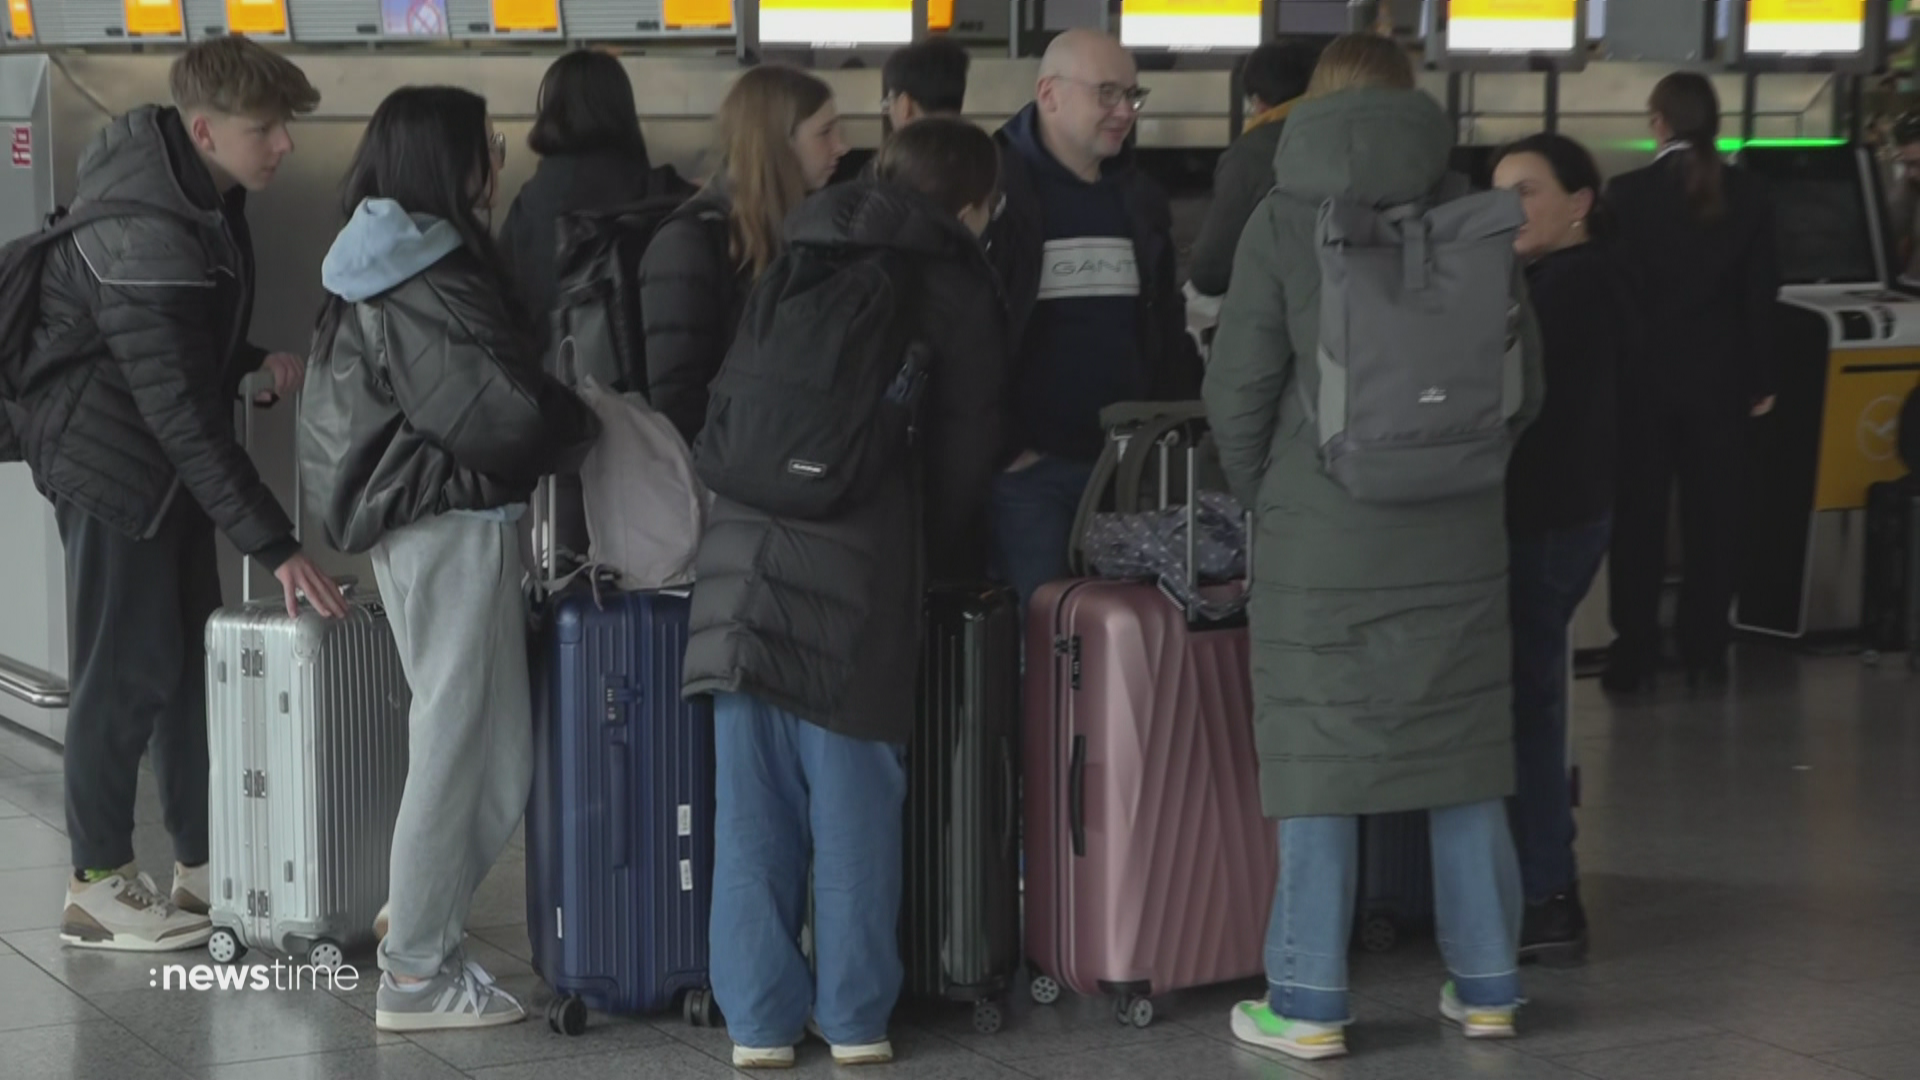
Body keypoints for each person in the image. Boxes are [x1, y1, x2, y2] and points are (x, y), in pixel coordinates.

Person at [1203, 34, 1542, 1061]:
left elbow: (1241, 388)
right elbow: (1524, 390)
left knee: (1322, 759)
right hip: (1457, 528)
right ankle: (1488, 986)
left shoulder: (1282, 215)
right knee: (1465, 752)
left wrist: (1281, 495)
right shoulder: (1473, 211)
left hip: (1323, 532)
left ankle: (1307, 1001)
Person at [682, 117, 1008, 1069]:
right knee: (856, 804)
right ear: (972, 206)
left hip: (738, 566)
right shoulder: (948, 279)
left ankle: (758, 1025)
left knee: (753, 813)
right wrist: (931, 552)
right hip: (856, 571)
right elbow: (965, 448)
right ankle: (857, 1019)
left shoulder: (797, 254)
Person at [15, 36, 346, 953]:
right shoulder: (149, 223)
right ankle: (96, 885)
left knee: (189, 668)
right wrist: (275, 544)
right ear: (204, 128)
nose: (282, 144)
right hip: (112, 465)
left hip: (157, 457)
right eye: (263, 128)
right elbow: (174, 408)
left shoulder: (198, 187)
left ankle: (204, 871)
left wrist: (244, 365)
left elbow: (166, 345)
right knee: (122, 671)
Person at [299, 85, 598, 1031]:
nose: (498, 159)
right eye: (489, 144)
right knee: (456, 744)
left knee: (498, 754)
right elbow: (497, 413)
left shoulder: (390, 257)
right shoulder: (424, 270)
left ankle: (416, 911)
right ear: (450, 159)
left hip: (435, 523)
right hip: (448, 524)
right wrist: (584, 422)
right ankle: (416, 974)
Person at [985, 28, 1201, 610]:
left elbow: (1164, 322)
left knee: (1116, 654)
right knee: (1042, 648)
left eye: (1133, 94)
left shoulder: (1138, 197)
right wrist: (1006, 447)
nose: (1125, 111)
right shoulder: (997, 193)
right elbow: (968, 334)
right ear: (1049, 94)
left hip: (1126, 470)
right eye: (1107, 93)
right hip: (1031, 476)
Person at [1491, 133, 1632, 965]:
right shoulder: (1564, 277)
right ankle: (1539, 881)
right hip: (1566, 515)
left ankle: (1546, 892)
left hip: (1546, 522)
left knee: (1527, 708)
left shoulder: (1570, 289)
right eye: (1500, 190)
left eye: (1529, 191)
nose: (1509, 208)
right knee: (1530, 700)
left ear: (1579, 203)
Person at [1603, 73, 1780, 693]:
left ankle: (1635, 650)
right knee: (1715, 516)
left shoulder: (1625, 194)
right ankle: (1706, 646)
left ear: (1659, 123)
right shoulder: (1752, 194)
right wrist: (1762, 378)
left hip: (1642, 384)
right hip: (1722, 382)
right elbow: (1761, 297)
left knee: (1640, 518)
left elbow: (1615, 299)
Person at [641, 65, 848, 445]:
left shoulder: (799, 232)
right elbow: (677, 403)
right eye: (825, 133)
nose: (841, 146)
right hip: (725, 482)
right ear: (778, 143)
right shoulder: (688, 244)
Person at [500, 48, 659, 354]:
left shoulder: (527, 204)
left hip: (551, 381)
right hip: (640, 387)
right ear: (621, 109)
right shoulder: (655, 191)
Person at [1188, 39, 1322, 297]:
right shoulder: (1351, 137)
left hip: (1281, 317)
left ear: (1259, 103)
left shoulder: (1252, 154)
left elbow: (1210, 272)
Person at [881, 36, 971, 133]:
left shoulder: (906, 147)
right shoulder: (982, 144)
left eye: (889, 101)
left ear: (905, 105)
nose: (889, 112)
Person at [1885, 109, 1920, 280]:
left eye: (1917, 164)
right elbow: (1889, 229)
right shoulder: (1910, 184)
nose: (1912, 173)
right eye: (1906, 164)